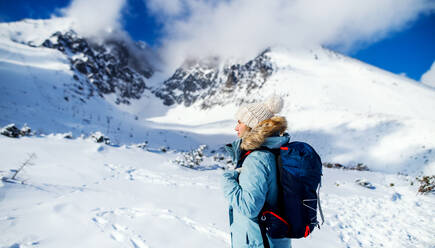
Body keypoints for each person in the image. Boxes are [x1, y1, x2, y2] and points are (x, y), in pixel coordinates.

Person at [222, 95, 292, 248]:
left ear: (252, 126)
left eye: (240, 122)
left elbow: (249, 208)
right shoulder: (273, 151)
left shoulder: (258, 158)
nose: (236, 127)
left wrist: (227, 180)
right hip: (271, 240)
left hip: (258, 241)